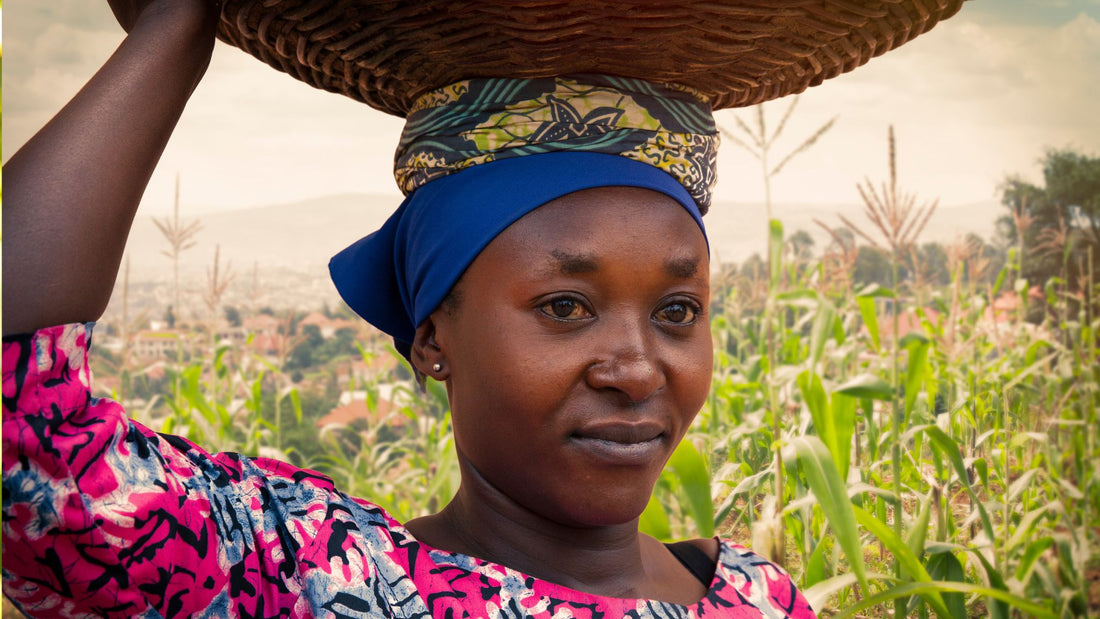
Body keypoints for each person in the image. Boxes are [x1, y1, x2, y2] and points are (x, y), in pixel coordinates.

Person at [1, 2, 834, 617]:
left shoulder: (763, 598)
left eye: (678, 310)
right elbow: (24, 437)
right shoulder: (316, 578)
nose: (638, 366)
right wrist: (179, 26)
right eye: (566, 305)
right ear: (434, 337)